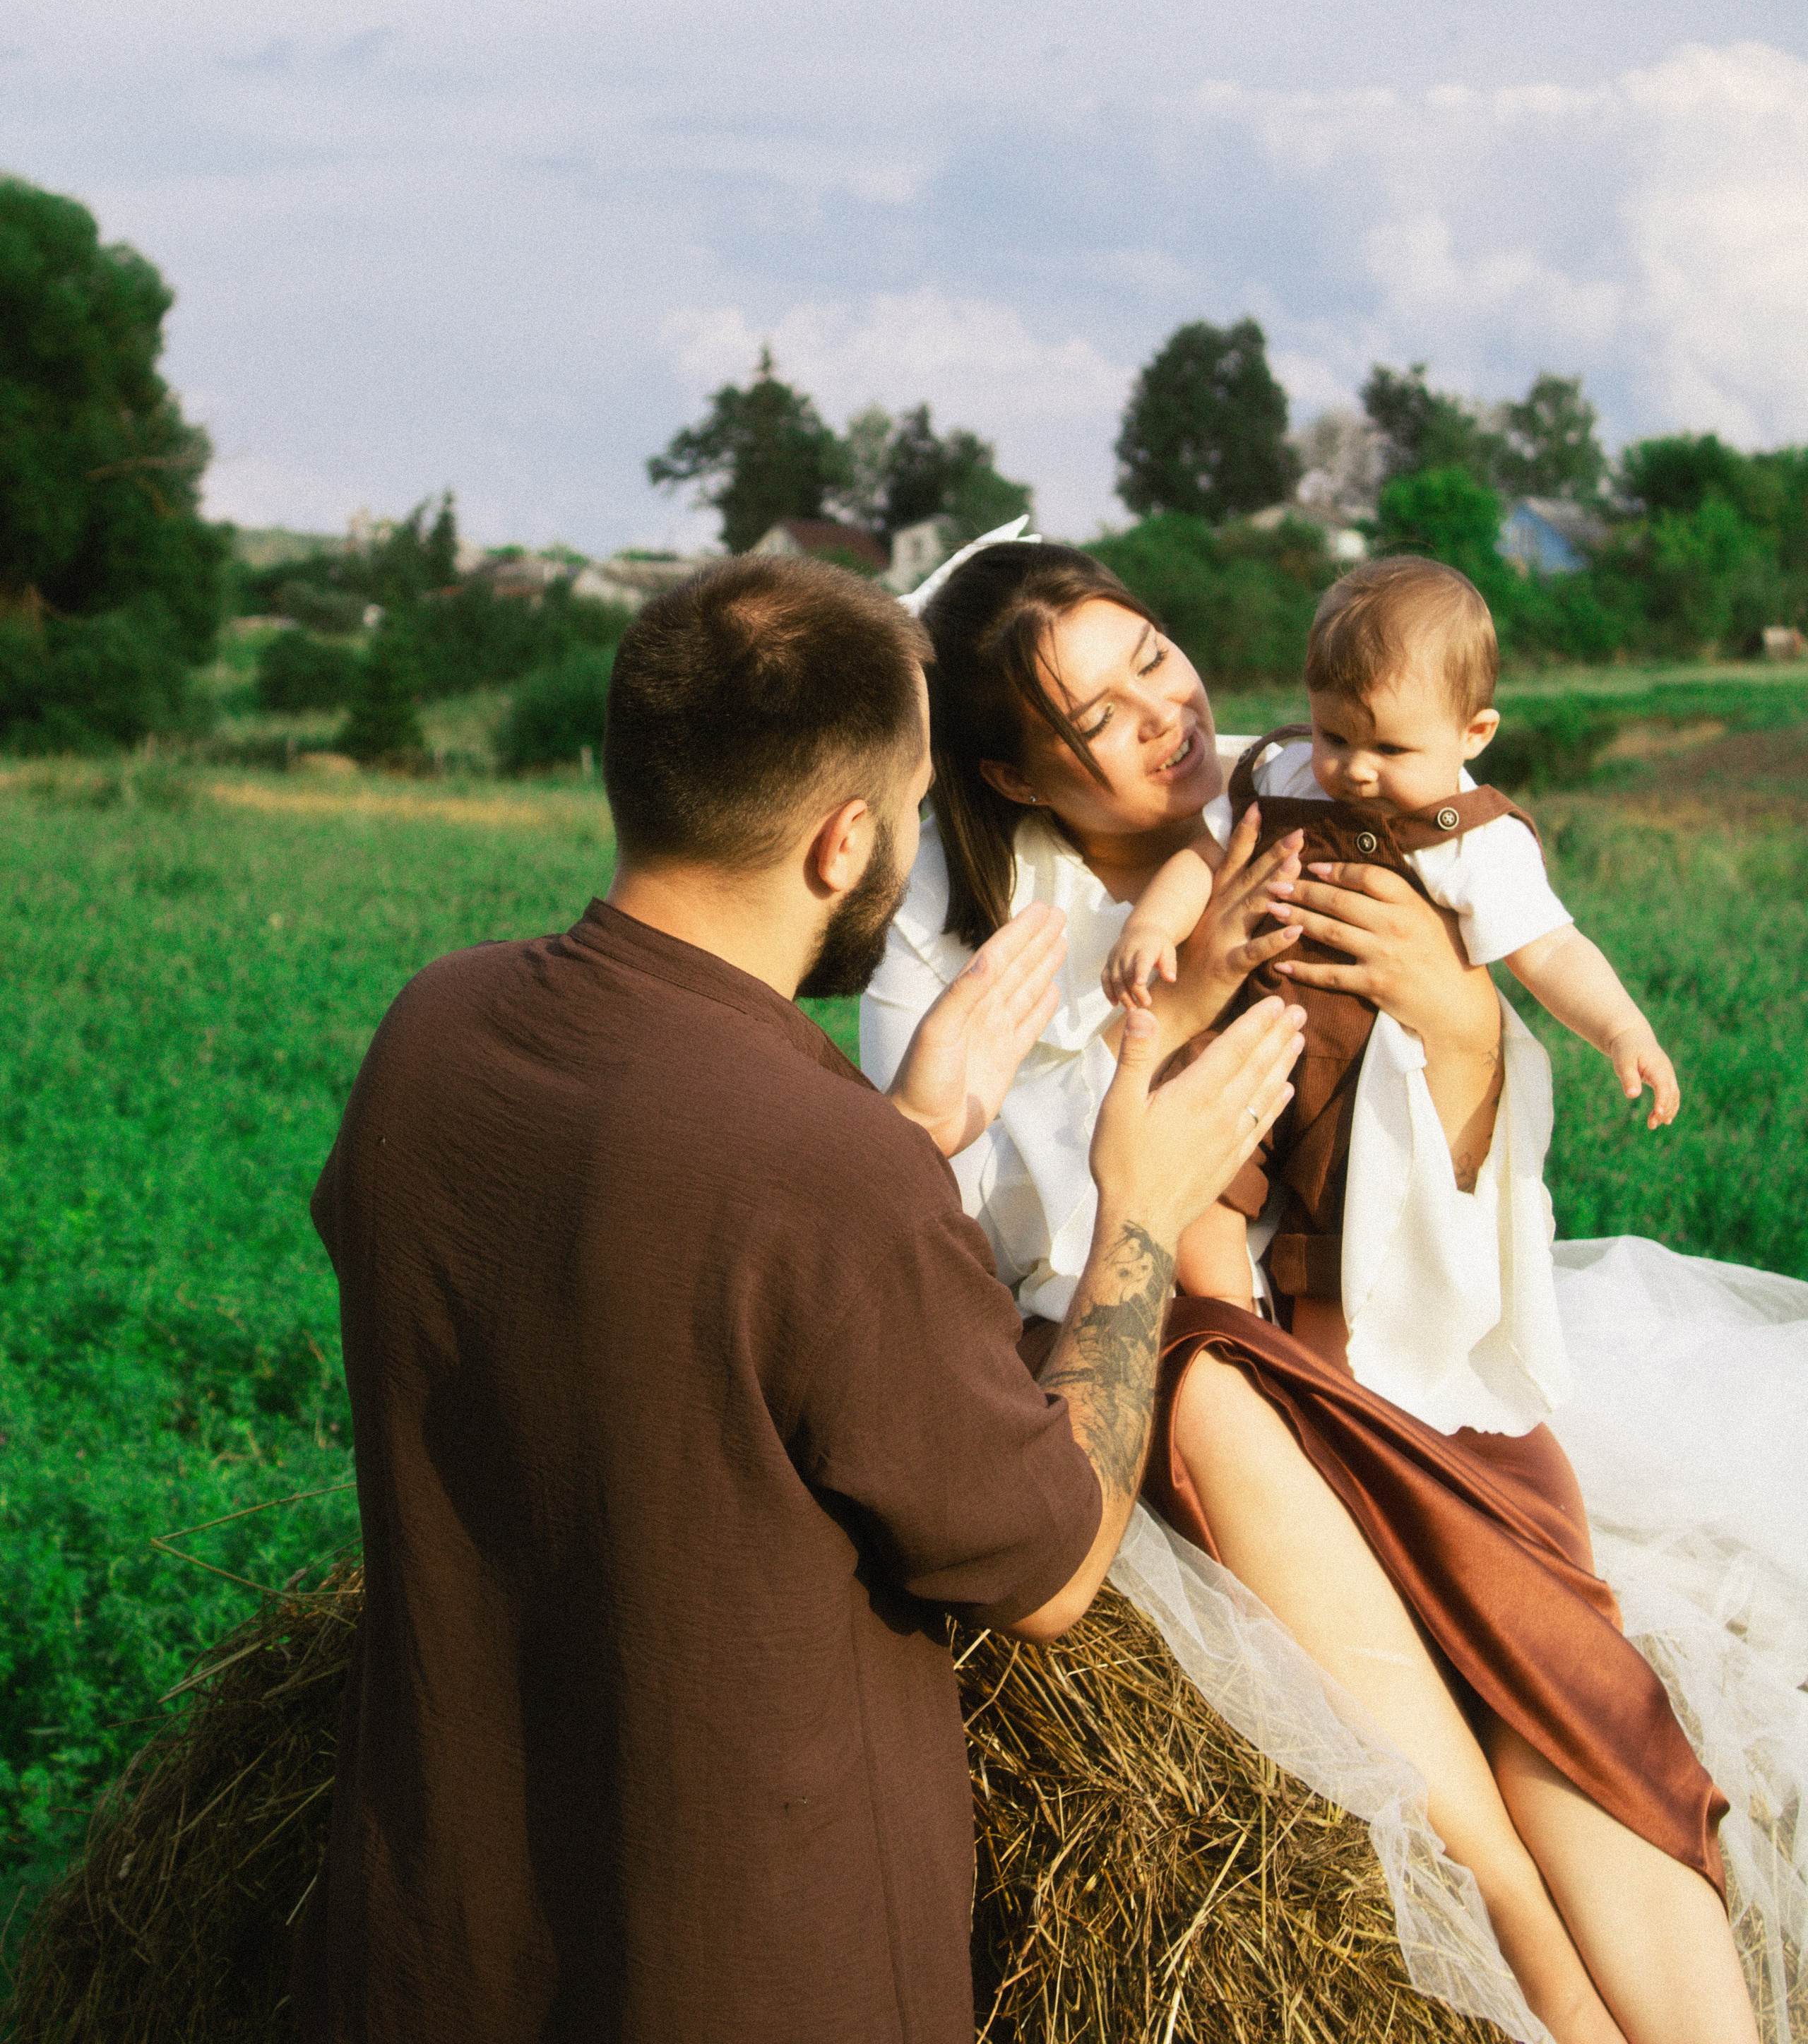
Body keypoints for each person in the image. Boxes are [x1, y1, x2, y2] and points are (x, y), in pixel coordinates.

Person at [293, 552, 1304, 2044]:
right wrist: (1136, 1219)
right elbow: (1047, 1571)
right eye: (903, 820)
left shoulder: (430, 1030)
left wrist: (908, 1134)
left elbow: (650, 1274)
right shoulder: (824, 1172)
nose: (906, 850)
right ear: (843, 843)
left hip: (433, 1960)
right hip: (748, 1975)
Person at [861, 537, 1761, 2044]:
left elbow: (1464, 1127)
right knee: (1214, 1393)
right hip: (1175, 1340)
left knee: (1559, 1691)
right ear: (1017, 776)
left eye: (1151, 652)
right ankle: (1532, 1958)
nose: (1163, 710)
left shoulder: (1321, 796)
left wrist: (1459, 1023)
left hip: (1388, 1312)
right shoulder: (981, 931)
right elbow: (990, 1228)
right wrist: (1194, 995)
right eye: (1095, 715)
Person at [1098, 554, 1679, 1439]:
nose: (1356, 771)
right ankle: (1232, 1342)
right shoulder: (1285, 774)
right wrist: (1152, 927)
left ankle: (1335, 1410)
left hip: (1355, 1089)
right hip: (1242, 1044)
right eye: (1337, 737)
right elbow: (1202, 858)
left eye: (1391, 749)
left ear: (1473, 733)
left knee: (1343, 1258)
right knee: (1201, 1204)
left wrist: (1620, 1027)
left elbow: (1551, 949)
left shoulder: (1474, 842)